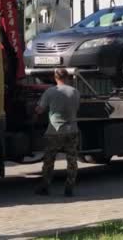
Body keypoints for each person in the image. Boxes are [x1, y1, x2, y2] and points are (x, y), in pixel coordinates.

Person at [34, 68, 81, 197]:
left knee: (49, 160)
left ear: (55, 78)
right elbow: (77, 108)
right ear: (67, 78)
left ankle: (45, 186)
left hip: (55, 130)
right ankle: (69, 187)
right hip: (72, 130)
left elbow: (40, 109)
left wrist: (36, 110)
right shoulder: (75, 92)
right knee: (72, 160)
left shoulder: (50, 92)